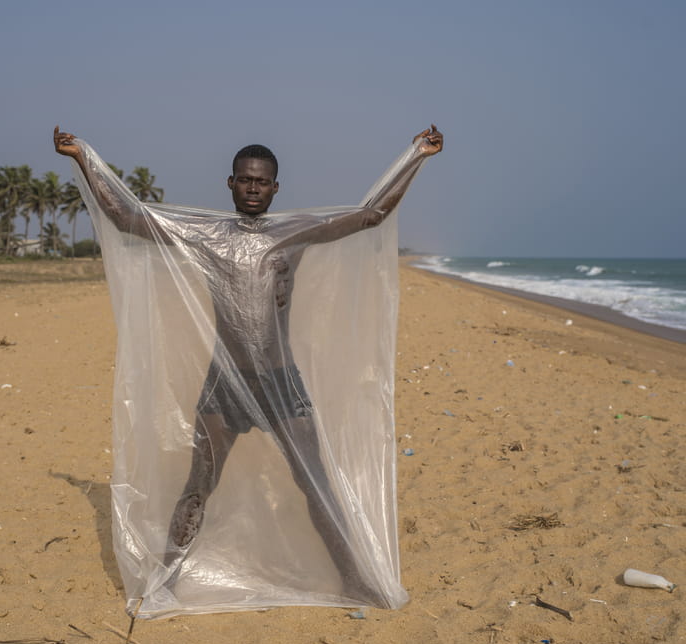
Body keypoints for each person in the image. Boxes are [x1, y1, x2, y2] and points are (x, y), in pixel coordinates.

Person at [54, 125, 443, 608]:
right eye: (244, 180)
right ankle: (165, 581)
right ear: (230, 183)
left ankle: (353, 580)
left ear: (275, 188)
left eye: (261, 181)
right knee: (198, 487)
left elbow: (371, 216)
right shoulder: (206, 234)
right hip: (225, 385)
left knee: (316, 485)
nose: (253, 187)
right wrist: (82, 158)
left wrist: (416, 156)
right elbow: (127, 219)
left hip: (281, 383)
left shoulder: (295, 232)